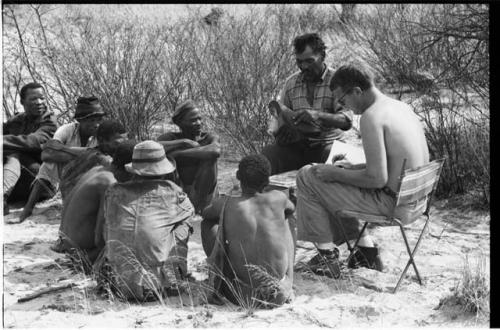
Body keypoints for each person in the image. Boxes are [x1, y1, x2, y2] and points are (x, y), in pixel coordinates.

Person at [295, 63, 430, 278]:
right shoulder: (400, 107)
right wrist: (350, 169)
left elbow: (377, 179)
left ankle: (326, 257)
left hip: (393, 206)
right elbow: (393, 164)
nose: (343, 105)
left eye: (342, 99)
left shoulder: (371, 117)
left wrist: (335, 174)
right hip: (416, 202)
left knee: (306, 176)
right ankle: (365, 250)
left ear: (357, 91)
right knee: (336, 173)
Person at [95, 140, 195, 301]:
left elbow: (101, 236)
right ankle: (174, 277)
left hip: (113, 284)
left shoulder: (113, 192)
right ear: (163, 169)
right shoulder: (174, 192)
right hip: (154, 288)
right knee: (184, 221)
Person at [201, 154, 295, 308]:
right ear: (267, 181)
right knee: (287, 218)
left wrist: (232, 194)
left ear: (238, 176)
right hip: (278, 293)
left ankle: (218, 281)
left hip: (241, 295)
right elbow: (292, 208)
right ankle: (289, 280)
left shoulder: (227, 203)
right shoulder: (278, 198)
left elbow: (206, 212)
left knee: (208, 224)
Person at [261, 33, 354, 175]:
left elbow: (347, 121)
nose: (303, 66)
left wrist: (318, 116)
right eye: (299, 62)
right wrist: (281, 131)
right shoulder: (291, 83)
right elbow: (280, 116)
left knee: (337, 160)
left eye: (309, 61)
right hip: (298, 145)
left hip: (328, 144)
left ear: (322, 56)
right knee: (269, 153)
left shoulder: (336, 81)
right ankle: (272, 194)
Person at [19, 96, 106, 222]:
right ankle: (28, 207)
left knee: (95, 162)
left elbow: (100, 155)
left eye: (98, 120)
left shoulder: (102, 133)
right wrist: (85, 155)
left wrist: (65, 149)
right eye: (91, 120)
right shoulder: (67, 129)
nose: (96, 124)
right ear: (80, 120)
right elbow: (47, 154)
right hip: (67, 171)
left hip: (90, 175)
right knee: (48, 165)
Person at [50, 119, 128, 252]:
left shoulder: (90, 155)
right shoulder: (104, 163)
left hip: (66, 232)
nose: (121, 146)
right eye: (117, 142)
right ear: (102, 140)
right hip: (79, 237)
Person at [57, 140, 136, 268]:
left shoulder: (98, 169)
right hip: (84, 255)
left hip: (67, 243)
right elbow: (100, 239)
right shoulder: (110, 184)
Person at [157, 99, 221, 213]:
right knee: (166, 160)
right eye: (193, 120)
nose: (199, 123)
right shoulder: (172, 138)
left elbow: (215, 151)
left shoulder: (208, 137)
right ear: (180, 123)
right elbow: (154, 148)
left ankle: (198, 208)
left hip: (204, 193)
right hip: (179, 191)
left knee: (210, 160)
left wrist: (178, 154)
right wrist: (183, 142)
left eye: (199, 118)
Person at [3, 82, 57, 215]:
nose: (39, 102)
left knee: (15, 154)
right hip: (20, 182)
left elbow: (33, 142)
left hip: (42, 184)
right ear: (22, 102)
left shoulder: (50, 122)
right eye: (33, 99)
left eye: (42, 98)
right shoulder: (16, 121)